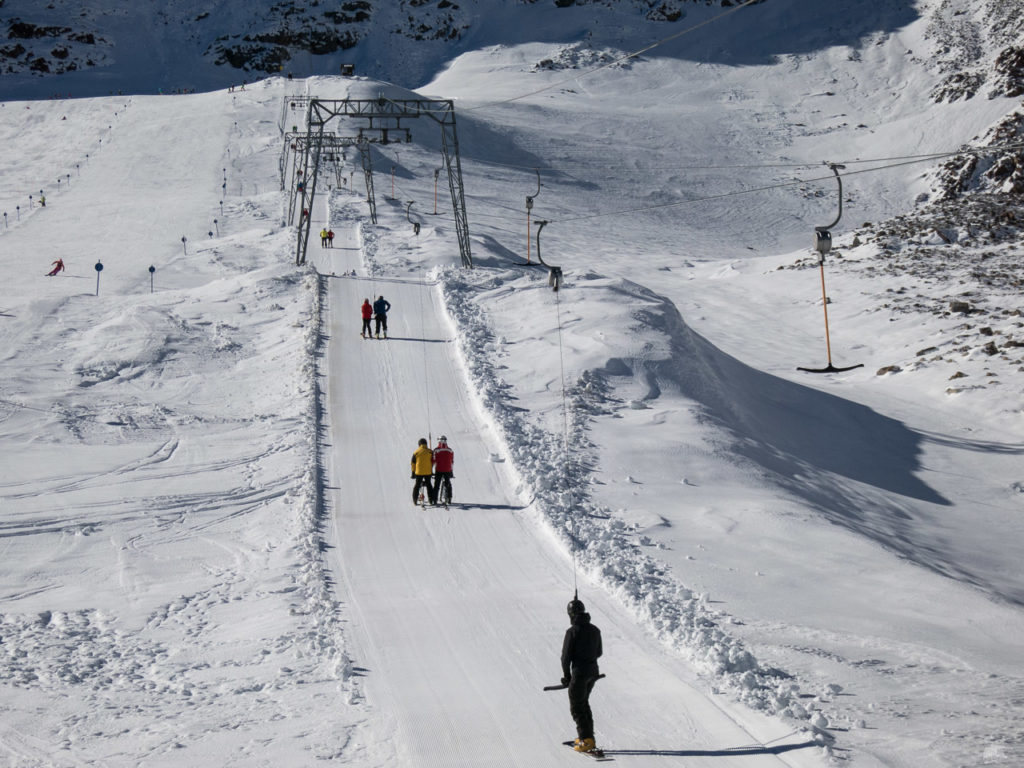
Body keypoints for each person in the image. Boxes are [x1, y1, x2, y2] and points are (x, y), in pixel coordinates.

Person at [561, 597, 602, 753]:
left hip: (579, 673)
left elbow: (565, 657)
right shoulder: (595, 630)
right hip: (593, 672)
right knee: (584, 703)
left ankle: (586, 740)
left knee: (577, 707)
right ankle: (588, 738)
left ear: (570, 614)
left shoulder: (572, 632)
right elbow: (599, 652)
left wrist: (567, 676)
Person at [411, 438, 435, 505]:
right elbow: (433, 461)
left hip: (419, 472)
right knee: (429, 485)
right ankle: (431, 499)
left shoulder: (416, 452)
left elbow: (413, 463)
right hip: (428, 472)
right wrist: (431, 469)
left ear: (419, 444)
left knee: (417, 485)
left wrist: (413, 472)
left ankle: (415, 500)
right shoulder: (430, 451)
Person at [432, 435, 454, 504]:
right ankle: (449, 497)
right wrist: (451, 471)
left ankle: (434, 499)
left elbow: (433, 460)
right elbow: (452, 461)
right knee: (448, 483)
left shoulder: (436, 450)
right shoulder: (450, 450)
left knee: (437, 485)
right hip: (448, 469)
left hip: (439, 469)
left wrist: (431, 470)